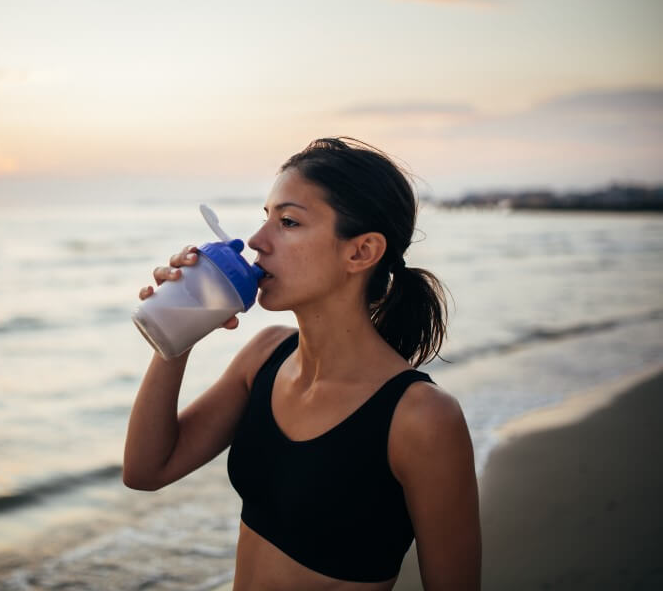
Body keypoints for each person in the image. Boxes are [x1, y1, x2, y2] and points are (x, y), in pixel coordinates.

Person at [123, 137, 481, 590]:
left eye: (288, 222)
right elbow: (145, 470)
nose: (256, 241)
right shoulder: (264, 357)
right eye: (266, 218)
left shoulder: (422, 417)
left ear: (361, 252)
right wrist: (176, 329)